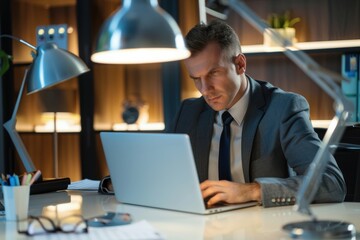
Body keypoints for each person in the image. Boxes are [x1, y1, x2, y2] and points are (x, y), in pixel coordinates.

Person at [167, 20, 346, 208]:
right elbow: (162, 177)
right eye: (196, 79)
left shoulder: (284, 108)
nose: (205, 90)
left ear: (240, 64)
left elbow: (332, 183)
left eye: (213, 74)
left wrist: (252, 190)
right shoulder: (188, 112)